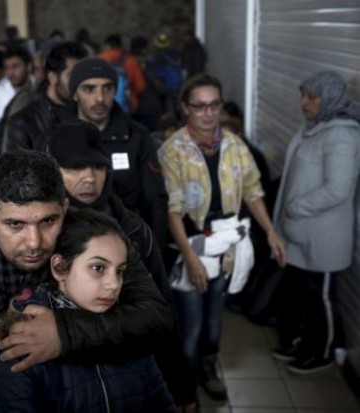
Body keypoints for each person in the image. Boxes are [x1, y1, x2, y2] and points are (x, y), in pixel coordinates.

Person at [0, 150, 176, 412]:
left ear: (65, 208)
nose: (34, 242)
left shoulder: (94, 239)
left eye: (49, 221)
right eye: (15, 225)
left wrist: (65, 332)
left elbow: (157, 318)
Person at [45, 120, 198, 410]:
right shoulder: (40, 236)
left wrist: (181, 388)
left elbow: (161, 312)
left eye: (98, 167)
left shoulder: (133, 231)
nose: (89, 177)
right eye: (76, 168)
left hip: (129, 377)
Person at [157, 73, 286, 401]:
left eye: (214, 105)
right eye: (199, 106)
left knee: (214, 321)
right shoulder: (174, 150)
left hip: (224, 244)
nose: (208, 113)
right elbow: (173, 210)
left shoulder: (234, 146)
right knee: (192, 326)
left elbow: (253, 191)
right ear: (186, 108)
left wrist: (270, 231)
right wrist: (190, 258)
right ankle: (185, 386)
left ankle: (208, 367)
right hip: (189, 248)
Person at [0, 207, 177, 412]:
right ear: (60, 267)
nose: (114, 284)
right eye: (98, 268)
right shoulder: (26, 341)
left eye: (120, 271)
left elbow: (162, 403)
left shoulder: (132, 329)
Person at [272, 71, 360, 374]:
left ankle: (322, 352)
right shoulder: (314, 127)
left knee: (321, 299)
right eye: (303, 95)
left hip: (324, 238)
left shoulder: (342, 135)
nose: (303, 102)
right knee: (306, 298)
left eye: (311, 96)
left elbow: (338, 188)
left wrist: (296, 207)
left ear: (330, 97)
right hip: (302, 234)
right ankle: (305, 343)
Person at [67, 57, 169, 250]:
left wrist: (155, 254)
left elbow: (155, 201)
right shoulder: (55, 138)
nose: (100, 98)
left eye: (107, 88)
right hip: (71, 245)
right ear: (74, 94)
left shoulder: (137, 136)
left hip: (127, 244)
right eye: (89, 89)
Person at [1, 41, 88, 154]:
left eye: (81, 75)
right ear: (52, 77)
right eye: (71, 75)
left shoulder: (87, 112)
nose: (78, 82)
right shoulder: (23, 122)